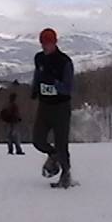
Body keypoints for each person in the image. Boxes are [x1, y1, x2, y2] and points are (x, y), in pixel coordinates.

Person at [31, 28, 75, 188]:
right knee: (37, 140)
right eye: (43, 43)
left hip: (61, 107)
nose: (45, 46)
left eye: (48, 43)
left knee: (61, 143)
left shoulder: (64, 61)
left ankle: (66, 174)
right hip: (44, 106)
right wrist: (35, 89)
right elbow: (38, 74)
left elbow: (68, 88)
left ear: (55, 43)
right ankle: (53, 155)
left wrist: (54, 83)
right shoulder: (39, 58)